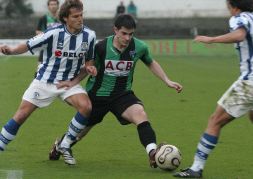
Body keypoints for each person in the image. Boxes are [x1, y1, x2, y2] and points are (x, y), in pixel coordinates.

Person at [49, 14, 183, 167]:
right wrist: (72, 82)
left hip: (122, 95)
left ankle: (153, 154)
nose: (127, 38)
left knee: (140, 114)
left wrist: (167, 80)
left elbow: (151, 62)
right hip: (97, 96)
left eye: (131, 34)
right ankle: (60, 145)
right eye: (124, 33)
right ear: (115, 30)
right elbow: (87, 68)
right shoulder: (100, 47)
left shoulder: (140, 47)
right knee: (80, 133)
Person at [0, 0, 96, 166]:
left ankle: (65, 144)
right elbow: (30, 44)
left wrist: (90, 69)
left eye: (81, 15)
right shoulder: (53, 32)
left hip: (68, 83)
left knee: (86, 107)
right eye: (75, 16)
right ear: (65, 18)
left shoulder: (90, 36)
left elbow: (89, 62)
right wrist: (12, 50)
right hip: (44, 81)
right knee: (21, 115)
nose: (80, 19)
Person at [173, 0, 253, 178]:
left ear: (234, 7)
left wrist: (211, 39)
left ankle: (196, 168)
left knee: (215, 120)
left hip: (250, 82)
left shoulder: (238, 18)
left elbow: (239, 35)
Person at [35, 0, 60, 77]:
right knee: (40, 67)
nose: (53, 6)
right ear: (48, 6)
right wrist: (46, 36)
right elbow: (37, 31)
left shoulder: (63, 18)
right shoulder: (44, 18)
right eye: (51, 4)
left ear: (58, 6)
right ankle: (36, 84)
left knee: (59, 66)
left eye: (55, 4)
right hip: (46, 46)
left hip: (59, 46)